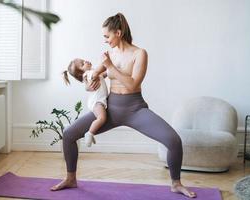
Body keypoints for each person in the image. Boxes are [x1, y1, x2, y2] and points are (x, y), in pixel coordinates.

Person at [52, 13, 196, 198]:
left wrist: (110, 67)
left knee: (174, 141)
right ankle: (71, 178)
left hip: (135, 110)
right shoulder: (109, 55)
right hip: (110, 109)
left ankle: (176, 184)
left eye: (107, 36)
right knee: (69, 134)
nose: (105, 40)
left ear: (118, 33)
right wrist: (91, 82)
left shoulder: (139, 54)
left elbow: (133, 84)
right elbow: (93, 79)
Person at [62, 58, 108, 147]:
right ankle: (90, 133)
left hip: (97, 101)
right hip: (97, 103)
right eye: (83, 64)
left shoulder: (91, 73)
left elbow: (104, 74)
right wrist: (107, 61)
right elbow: (103, 67)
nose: (86, 61)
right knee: (102, 118)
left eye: (83, 60)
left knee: (101, 118)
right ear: (81, 73)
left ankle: (91, 132)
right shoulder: (89, 74)